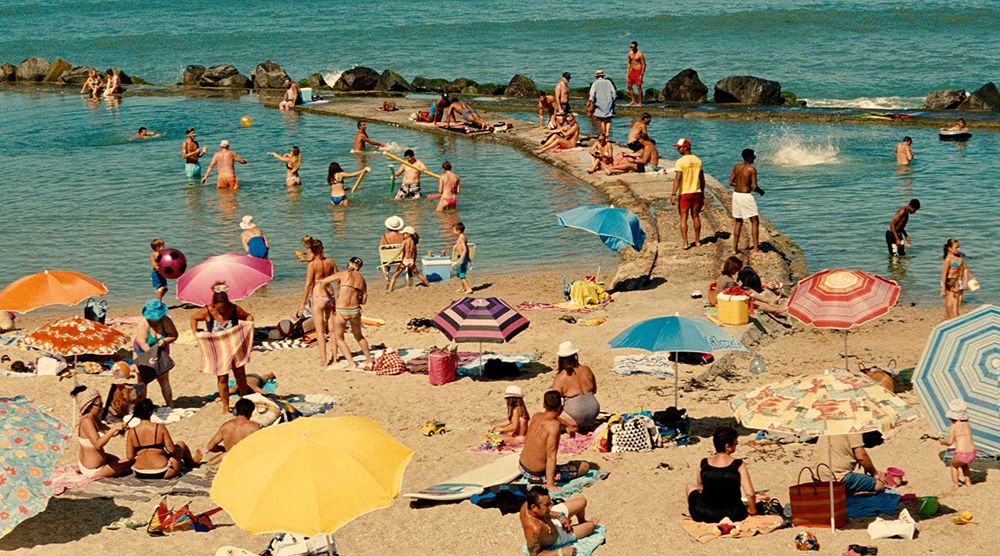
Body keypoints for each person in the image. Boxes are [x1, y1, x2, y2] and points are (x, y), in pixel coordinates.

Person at [190, 285, 254, 413]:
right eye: (219, 308)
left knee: (240, 376)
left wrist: (248, 327)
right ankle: (225, 406)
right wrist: (195, 332)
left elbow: (248, 316)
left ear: (228, 304)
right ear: (214, 305)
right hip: (219, 350)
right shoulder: (207, 311)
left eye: (224, 307)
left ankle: (244, 400)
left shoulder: (234, 309)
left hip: (235, 347)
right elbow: (193, 318)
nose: (222, 311)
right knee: (222, 378)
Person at [519, 390, 591, 491]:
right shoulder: (554, 427)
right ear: (561, 407)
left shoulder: (536, 416)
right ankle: (550, 479)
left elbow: (553, 417)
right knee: (585, 466)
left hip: (522, 466)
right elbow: (551, 456)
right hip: (537, 475)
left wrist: (567, 425)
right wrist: (550, 484)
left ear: (544, 405)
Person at [686, 427, 759, 523]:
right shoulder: (738, 465)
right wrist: (752, 511)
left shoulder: (704, 463)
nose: (736, 445)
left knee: (689, 486)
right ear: (727, 446)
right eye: (735, 443)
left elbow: (700, 488)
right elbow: (750, 494)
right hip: (734, 515)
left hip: (705, 514)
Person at [125, 399, 201, 480]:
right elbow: (171, 449)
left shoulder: (132, 431)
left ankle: (192, 462)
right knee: (181, 444)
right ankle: (193, 462)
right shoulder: (159, 427)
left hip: (140, 472)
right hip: (162, 472)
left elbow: (130, 456)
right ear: (151, 412)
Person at [319, 257, 372, 371]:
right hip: (355, 310)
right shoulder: (362, 279)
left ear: (349, 263)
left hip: (341, 310)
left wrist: (327, 295)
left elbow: (323, 281)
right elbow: (364, 300)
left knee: (339, 338)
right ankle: (369, 360)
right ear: (359, 267)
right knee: (359, 336)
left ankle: (351, 363)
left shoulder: (343, 274)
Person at [72, 386, 132, 478]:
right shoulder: (87, 421)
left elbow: (110, 432)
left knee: (118, 460)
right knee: (131, 461)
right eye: (99, 405)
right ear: (89, 406)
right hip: (93, 470)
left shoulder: (94, 418)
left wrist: (122, 427)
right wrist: (113, 429)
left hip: (98, 461)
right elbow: (98, 444)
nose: (101, 408)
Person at [520, 486, 598, 556]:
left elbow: (546, 511)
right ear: (534, 507)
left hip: (549, 517)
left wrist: (559, 515)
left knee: (582, 501)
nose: (550, 506)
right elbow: (535, 554)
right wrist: (560, 552)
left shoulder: (527, 504)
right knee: (591, 526)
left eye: (550, 502)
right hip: (557, 537)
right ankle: (581, 526)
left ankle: (582, 521)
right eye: (547, 505)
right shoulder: (534, 530)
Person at [298, 239, 338, 366]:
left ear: (312, 251)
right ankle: (335, 358)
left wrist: (302, 304)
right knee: (332, 330)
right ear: (322, 248)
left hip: (318, 296)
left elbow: (309, 284)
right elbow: (338, 279)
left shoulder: (312, 265)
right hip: (330, 295)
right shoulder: (330, 261)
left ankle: (324, 360)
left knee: (320, 331)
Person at [134, 299, 178, 407]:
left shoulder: (166, 321)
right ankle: (142, 406)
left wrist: (165, 341)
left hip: (161, 350)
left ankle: (170, 405)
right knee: (142, 381)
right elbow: (142, 343)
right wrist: (153, 357)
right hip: (143, 352)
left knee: (164, 380)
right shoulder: (143, 324)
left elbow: (174, 335)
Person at [551, 342, 600, 434]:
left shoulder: (561, 377)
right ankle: (584, 424)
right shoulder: (586, 369)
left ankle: (571, 426)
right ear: (575, 355)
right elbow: (594, 390)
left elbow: (553, 402)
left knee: (549, 415)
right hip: (593, 411)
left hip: (575, 414)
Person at [814, 432, 886, 494]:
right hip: (837, 477)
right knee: (879, 485)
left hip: (818, 476)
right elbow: (861, 457)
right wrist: (876, 473)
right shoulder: (852, 429)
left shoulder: (831, 426)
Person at [669, 138, 705, 249]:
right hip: (697, 192)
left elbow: (677, 179)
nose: (677, 149)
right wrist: (702, 195)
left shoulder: (680, 162)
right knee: (696, 216)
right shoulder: (698, 160)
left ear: (685, 148)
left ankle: (685, 243)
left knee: (683, 218)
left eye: (679, 147)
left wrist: (673, 194)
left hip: (685, 193)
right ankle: (697, 241)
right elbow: (702, 179)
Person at [728, 148, 765, 254]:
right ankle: (756, 249)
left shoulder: (737, 166)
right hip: (745, 196)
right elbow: (754, 187)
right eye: (753, 156)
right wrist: (761, 191)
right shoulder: (751, 169)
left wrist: (740, 185)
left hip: (736, 195)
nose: (755, 158)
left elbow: (730, 181)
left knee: (738, 221)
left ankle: (734, 249)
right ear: (749, 157)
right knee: (755, 221)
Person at [936, 399, 977, 490]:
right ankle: (968, 482)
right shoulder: (967, 424)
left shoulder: (953, 427)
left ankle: (955, 485)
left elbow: (950, 442)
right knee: (964, 464)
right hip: (973, 453)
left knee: (953, 465)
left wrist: (942, 442)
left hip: (961, 454)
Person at [387, 226, 430, 291]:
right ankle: (429, 285)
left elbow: (399, 251)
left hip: (405, 260)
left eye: (404, 233)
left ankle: (390, 289)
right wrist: (414, 261)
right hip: (411, 261)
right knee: (418, 274)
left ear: (409, 234)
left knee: (395, 275)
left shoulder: (405, 241)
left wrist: (392, 258)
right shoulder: (413, 242)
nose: (403, 235)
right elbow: (414, 253)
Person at [941, 238, 975, 320]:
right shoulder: (948, 259)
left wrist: (971, 278)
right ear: (950, 248)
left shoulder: (960, 257)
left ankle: (952, 317)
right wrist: (943, 288)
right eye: (956, 247)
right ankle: (952, 317)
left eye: (959, 247)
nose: (958, 249)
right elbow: (944, 274)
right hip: (950, 282)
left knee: (957, 301)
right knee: (951, 302)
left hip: (958, 281)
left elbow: (965, 268)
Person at [587, 69, 616, 137]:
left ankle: (603, 133)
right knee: (608, 119)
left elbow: (592, 95)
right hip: (608, 103)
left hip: (599, 103)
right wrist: (613, 100)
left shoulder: (595, 83)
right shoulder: (608, 82)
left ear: (596, 76)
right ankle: (607, 133)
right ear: (603, 76)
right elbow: (613, 92)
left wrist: (590, 103)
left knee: (601, 120)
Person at [451, 222, 473, 294]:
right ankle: (463, 288)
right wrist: (468, 257)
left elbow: (465, 249)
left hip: (462, 257)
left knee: (461, 274)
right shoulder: (463, 237)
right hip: (463, 257)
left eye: (454, 230)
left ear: (458, 231)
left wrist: (461, 259)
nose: (453, 232)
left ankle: (468, 288)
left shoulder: (461, 238)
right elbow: (467, 248)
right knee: (459, 273)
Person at [626, 41, 646, 107]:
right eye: (631, 47)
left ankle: (640, 102)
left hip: (638, 71)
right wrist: (628, 72)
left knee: (639, 87)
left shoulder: (640, 54)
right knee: (629, 86)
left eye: (633, 47)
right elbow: (629, 63)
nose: (631, 48)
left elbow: (644, 64)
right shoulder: (630, 53)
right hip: (632, 71)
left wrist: (641, 74)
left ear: (636, 46)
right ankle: (633, 100)